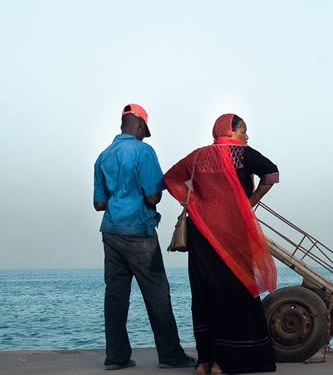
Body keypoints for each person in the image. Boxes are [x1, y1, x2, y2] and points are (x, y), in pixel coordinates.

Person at [164, 114, 279, 375]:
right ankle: (224, 362)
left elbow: (170, 179)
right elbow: (271, 174)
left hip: (201, 233)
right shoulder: (241, 153)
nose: (246, 137)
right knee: (234, 293)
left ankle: (204, 362)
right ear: (232, 131)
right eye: (243, 131)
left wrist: (193, 203)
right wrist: (250, 202)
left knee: (204, 294)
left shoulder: (197, 156)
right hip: (233, 231)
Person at [93, 104, 196, 371]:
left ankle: (116, 358)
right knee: (157, 295)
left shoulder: (103, 156)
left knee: (115, 297)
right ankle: (171, 355)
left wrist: (120, 194)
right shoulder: (144, 151)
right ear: (139, 125)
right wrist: (153, 194)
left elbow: (99, 203)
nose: (144, 134)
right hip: (139, 233)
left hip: (111, 232)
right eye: (144, 130)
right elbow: (152, 196)